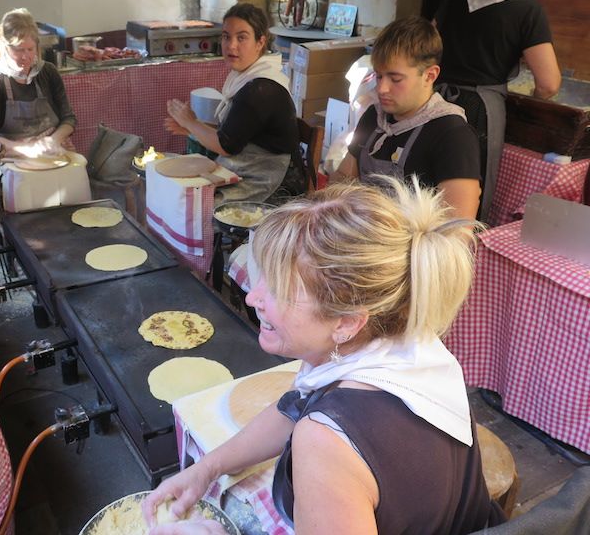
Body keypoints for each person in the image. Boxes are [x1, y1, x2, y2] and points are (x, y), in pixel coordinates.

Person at [143, 177, 506, 534]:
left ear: (347, 322)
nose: (253, 297)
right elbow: (295, 405)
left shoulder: (326, 441)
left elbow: (321, 427)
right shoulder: (407, 344)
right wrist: (207, 468)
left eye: (280, 288)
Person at [434, 0, 573, 220]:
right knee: (472, 187)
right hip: (481, 107)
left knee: (430, 177)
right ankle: (463, 255)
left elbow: (428, 44)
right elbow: (548, 84)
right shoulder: (527, 8)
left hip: (436, 97)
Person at [333, 16, 482, 220]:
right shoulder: (373, 117)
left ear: (430, 75)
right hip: (365, 235)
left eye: (395, 79)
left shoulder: (453, 135)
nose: (382, 89)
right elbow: (343, 178)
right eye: (379, 76)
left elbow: (457, 228)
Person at [164, 2, 306, 204]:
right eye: (225, 36)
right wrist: (191, 128)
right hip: (248, 170)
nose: (231, 45)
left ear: (260, 42)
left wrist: (192, 123)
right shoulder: (245, 78)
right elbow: (235, 133)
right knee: (181, 192)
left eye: (242, 37)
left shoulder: (262, 89)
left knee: (191, 205)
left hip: (275, 186)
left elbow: (226, 145)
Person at [0, 8, 77, 158]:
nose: (26, 57)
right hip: (13, 158)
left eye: (30, 49)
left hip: (52, 151)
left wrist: (54, 140)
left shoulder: (48, 72)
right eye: (18, 50)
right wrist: (26, 149)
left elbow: (69, 118)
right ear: (4, 47)